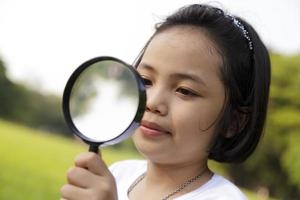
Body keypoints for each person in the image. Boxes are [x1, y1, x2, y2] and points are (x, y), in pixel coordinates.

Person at [60, 4, 270, 200]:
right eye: (145, 81)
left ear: (234, 121)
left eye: (185, 91)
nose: (152, 102)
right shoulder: (118, 173)